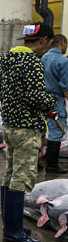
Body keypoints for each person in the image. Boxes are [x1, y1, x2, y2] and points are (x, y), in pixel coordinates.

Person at [0, 22, 58, 242]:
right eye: (48, 43)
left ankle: (10, 226)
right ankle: (13, 231)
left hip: (10, 125)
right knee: (21, 179)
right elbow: (35, 97)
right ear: (43, 40)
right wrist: (51, 102)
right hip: (26, 129)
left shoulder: (8, 58)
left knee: (10, 174)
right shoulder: (32, 62)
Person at [42, 34, 68, 173]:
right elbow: (65, 86)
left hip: (42, 99)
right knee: (56, 131)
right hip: (56, 101)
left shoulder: (44, 57)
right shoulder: (63, 61)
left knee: (41, 129)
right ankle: (51, 166)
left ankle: (38, 162)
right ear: (63, 43)